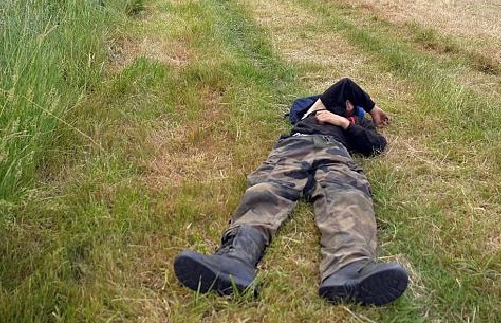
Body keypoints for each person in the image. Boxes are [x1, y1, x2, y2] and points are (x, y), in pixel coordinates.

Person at [174, 78, 408, 306]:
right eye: (348, 102)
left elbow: (376, 145)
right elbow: (345, 85)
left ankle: (350, 268)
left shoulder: (355, 123)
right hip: (295, 146)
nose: (350, 105)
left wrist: (346, 124)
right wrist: (372, 107)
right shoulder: (315, 108)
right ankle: (235, 259)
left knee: (347, 195)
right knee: (269, 188)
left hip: (335, 154)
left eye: (353, 105)